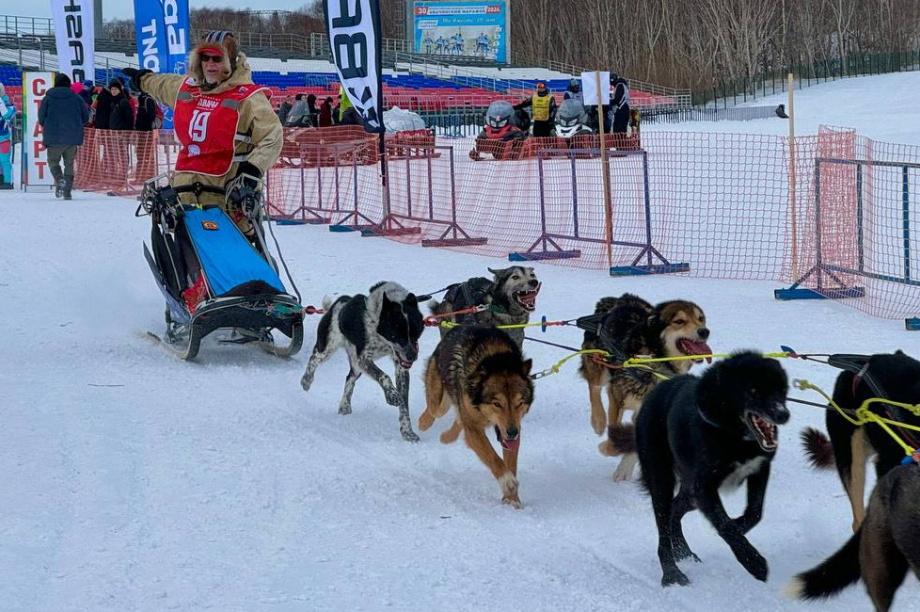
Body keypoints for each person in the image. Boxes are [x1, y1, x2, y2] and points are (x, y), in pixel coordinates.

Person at [122, 30, 282, 237]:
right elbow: (161, 85)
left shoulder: (248, 97)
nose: (210, 64)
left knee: (233, 253)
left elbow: (272, 136)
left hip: (227, 195)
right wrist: (143, 79)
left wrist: (253, 170)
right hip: (186, 190)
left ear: (230, 61)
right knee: (189, 251)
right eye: (205, 58)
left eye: (217, 58)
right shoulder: (187, 89)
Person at [37, 73, 89, 200]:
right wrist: (76, 126)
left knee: (53, 161)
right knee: (69, 163)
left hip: (53, 137)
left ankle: (60, 179)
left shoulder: (48, 98)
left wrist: (49, 127)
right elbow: (85, 117)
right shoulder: (77, 98)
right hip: (72, 137)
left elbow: (41, 117)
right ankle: (67, 192)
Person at [0, 83, 16, 189]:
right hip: (4, 135)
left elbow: (7, 114)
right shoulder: (8, 104)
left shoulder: (7, 104)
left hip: (3, 135)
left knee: (4, 159)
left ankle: (7, 181)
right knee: (4, 159)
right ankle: (3, 180)